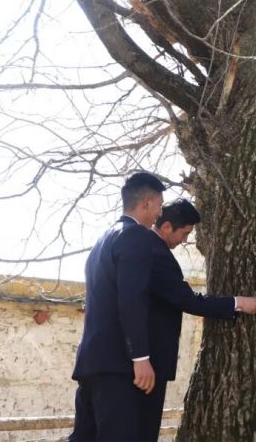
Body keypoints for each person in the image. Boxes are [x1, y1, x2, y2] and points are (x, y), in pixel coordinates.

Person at [139, 198, 256, 440]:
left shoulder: (146, 249)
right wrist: (237, 303)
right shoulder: (156, 253)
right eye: (184, 233)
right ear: (166, 227)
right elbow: (189, 301)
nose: (185, 240)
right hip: (148, 361)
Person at [70, 171, 166, 441]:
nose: (160, 213)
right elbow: (130, 298)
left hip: (91, 363)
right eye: (159, 204)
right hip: (117, 366)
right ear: (146, 203)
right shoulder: (136, 236)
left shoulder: (102, 241)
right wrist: (141, 358)